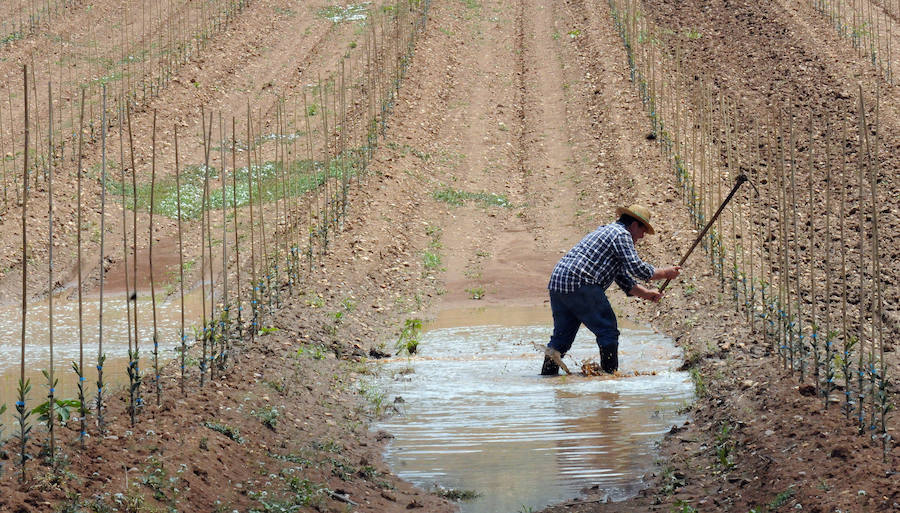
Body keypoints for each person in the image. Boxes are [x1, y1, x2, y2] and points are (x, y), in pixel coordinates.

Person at [541, 204, 681, 375]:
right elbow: (637, 268)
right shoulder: (622, 234)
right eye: (643, 230)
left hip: (559, 283)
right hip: (581, 281)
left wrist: (645, 293)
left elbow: (622, 277)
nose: (642, 236)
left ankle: (548, 378)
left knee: (561, 340)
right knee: (608, 330)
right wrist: (665, 272)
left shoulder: (609, 233)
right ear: (634, 225)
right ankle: (610, 376)